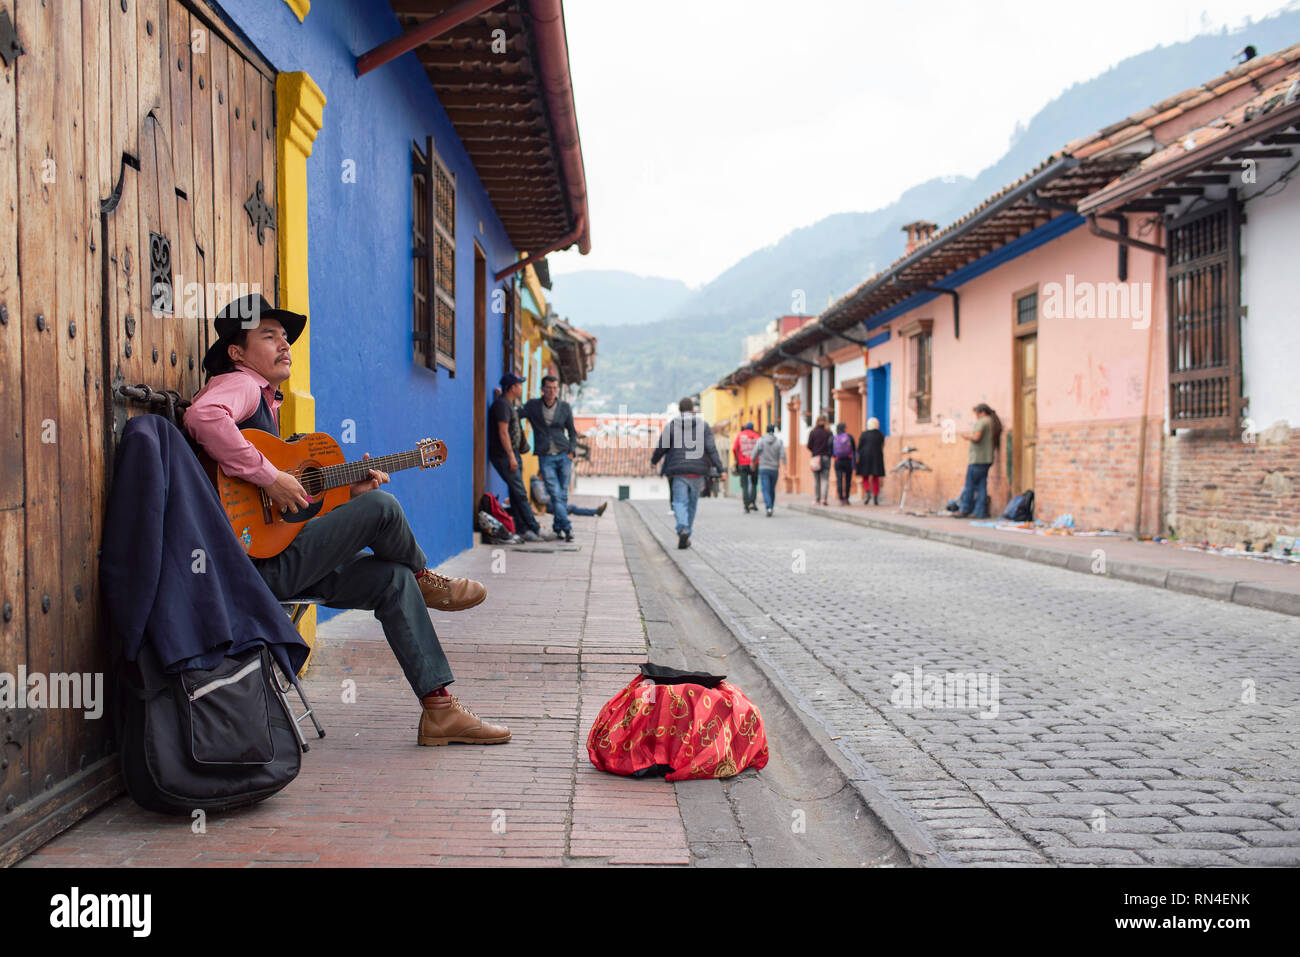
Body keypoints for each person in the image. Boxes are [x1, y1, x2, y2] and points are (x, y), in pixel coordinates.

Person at [184, 294, 509, 746]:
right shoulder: (239, 384)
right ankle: (426, 579)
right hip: (252, 571)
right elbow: (201, 415)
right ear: (238, 353)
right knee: (384, 509)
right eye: (269, 336)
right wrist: (271, 474)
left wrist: (342, 496)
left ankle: (439, 710)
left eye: (286, 338)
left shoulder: (266, 405)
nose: (284, 346)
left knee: (390, 579)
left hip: (278, 559)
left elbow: (282, 515)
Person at [651, 396, 724, 549]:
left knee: (679, 502)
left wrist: (654, 461)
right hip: (698, 471)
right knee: (692, 504)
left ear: (679, 410)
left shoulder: (672, 425)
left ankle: (683, 528)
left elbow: (661, 447)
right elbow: (711, 449)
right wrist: (720, 469)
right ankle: (687, 532)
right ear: (692, 409)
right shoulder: (703, 426)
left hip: (678, 470)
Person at [521, 375, 581, 542]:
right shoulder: (533, 406)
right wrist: (501, 398)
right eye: (548, 388)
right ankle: (567, 528)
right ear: (542, 389)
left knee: (562, 494)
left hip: (564, 454)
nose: (552, 391)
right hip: (545, 456)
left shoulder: (564, 407)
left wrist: (572, 450)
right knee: (554, 494)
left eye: (555, 388)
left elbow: (572, 431)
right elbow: (516, 414)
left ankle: (557, 527)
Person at [489, 373, 543, 542]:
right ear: (512, 388)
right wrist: (512, 457)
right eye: (519, 385)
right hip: (505, 456)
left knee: (515, 492)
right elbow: (503, 432)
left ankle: (522, 529)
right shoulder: (502, 406)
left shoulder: (507, 404)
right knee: (520, 493)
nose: (521, 388)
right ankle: (534, 528)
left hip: (511, 456)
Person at [956, 403, 1003, 518]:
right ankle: (979, 511)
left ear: (982, 412)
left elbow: (977, 437)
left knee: (970, 486)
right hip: (987, 458)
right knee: (982, 486)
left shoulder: (983, 422)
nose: (976, 416)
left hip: (977, 459)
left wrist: (967, 437)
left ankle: (965, 508)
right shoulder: (992, 422)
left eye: (976, 414)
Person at [752, 424, 786, 516]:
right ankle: (771, 506)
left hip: (763, 468)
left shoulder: (761, 441)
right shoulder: (779, 441)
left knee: (765, 489)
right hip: (774, 468)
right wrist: (785, 467)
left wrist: (752, 462)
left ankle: (769, 507)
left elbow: (755, 452)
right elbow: (783, 455)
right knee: (772, 489)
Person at [856, 416, 886, 505]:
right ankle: (875, 496)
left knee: (865, 476)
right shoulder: (880, 434)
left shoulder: (864, 434)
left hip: (865, 457)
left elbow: (860, 446)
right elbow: (882, 445)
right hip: (876, 457)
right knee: (875, 477)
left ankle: (868, 492)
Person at [732, 421, 760, 513]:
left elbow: (734, 448)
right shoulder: (757, 436)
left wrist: (737, 459)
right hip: (754, 463)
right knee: (754, 483)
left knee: (744, 485)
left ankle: (746, 505)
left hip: (742, 463)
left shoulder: (740, 435)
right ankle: (752, 502)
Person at [806, 416, 832, 506]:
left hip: (815, 458)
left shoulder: (813, 432)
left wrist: (815, 451)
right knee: (825, 479)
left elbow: (809, 445)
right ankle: (824, 499)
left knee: (816, 480)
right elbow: (832, 445)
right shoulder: (829, 433)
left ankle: (817, 499)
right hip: (826, 457)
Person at [831, 422, 856, 505]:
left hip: (838, 461)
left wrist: (834, 455)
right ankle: (847, 498)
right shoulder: (849, 437)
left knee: (839, 479)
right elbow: (854, 448)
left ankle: (841, 498)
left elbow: (830, 448)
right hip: (848, 460)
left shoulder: (833, 438)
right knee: (848, 480)